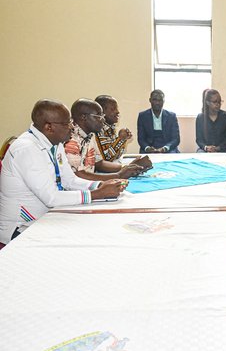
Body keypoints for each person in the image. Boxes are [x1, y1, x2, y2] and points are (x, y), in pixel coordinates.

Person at [0, 100, 127, 246]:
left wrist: (100, 185)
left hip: (47, 218)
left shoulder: (55, 144)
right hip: (22, 227)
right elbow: (51, 198)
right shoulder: (27, 149)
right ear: (49, 127)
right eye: (67, 123)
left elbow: (69, 180)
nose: (72, 127)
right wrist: (97, 194)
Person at [65, 99, 147, 181]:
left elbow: (99, 163)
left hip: (88, 183)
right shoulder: (71, 139)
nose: (103, 120)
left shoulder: (90, 135)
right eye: (99, 116)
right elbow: (78, 175)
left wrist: (126, 168)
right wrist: (119, 175)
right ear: (84, 117)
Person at [137, 89, 181, 153]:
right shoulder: (143, 116)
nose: (157, 103)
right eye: (155, 100)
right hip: (149, 149)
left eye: (160, 100)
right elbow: (141, 139)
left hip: (168, 149)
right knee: (145, 159)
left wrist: (165, 148)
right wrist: (147, 148)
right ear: (150, 100)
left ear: (163, 101)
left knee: (172, 158)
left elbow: (176, 139)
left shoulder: (171, 116)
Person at [195, 89, 226, 159]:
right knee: (201, 159)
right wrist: (206, 147)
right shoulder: (200, 117)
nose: (218, 105)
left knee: (221, 158)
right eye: (215, 102)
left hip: (222, 149)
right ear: (207, 102)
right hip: (205, 149)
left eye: (219, 102)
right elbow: (199, 139)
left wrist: (218, 148)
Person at [94, 95, 131, 162]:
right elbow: (106, 159)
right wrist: (121, 139)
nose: (117, 112)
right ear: (102, 110)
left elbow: (117, 156)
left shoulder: (110, 128)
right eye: (114, 108)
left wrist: (123, 139)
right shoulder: (98, 130)